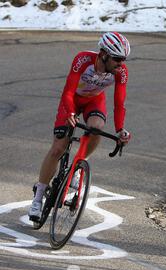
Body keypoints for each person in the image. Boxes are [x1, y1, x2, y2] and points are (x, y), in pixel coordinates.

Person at [28, 32, 132, 221]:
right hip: (72, 101)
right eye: (117, 59)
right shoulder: (83, 60)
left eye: (123, 59)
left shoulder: (121, 72)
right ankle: (38, 196)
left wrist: (120, 130)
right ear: (104, 54)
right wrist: (70, 113)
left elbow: (119, 104)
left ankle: (77, 165)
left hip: (94, 101)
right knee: (58, 148)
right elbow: (68, 91)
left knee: (97, 127)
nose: (120, 64)